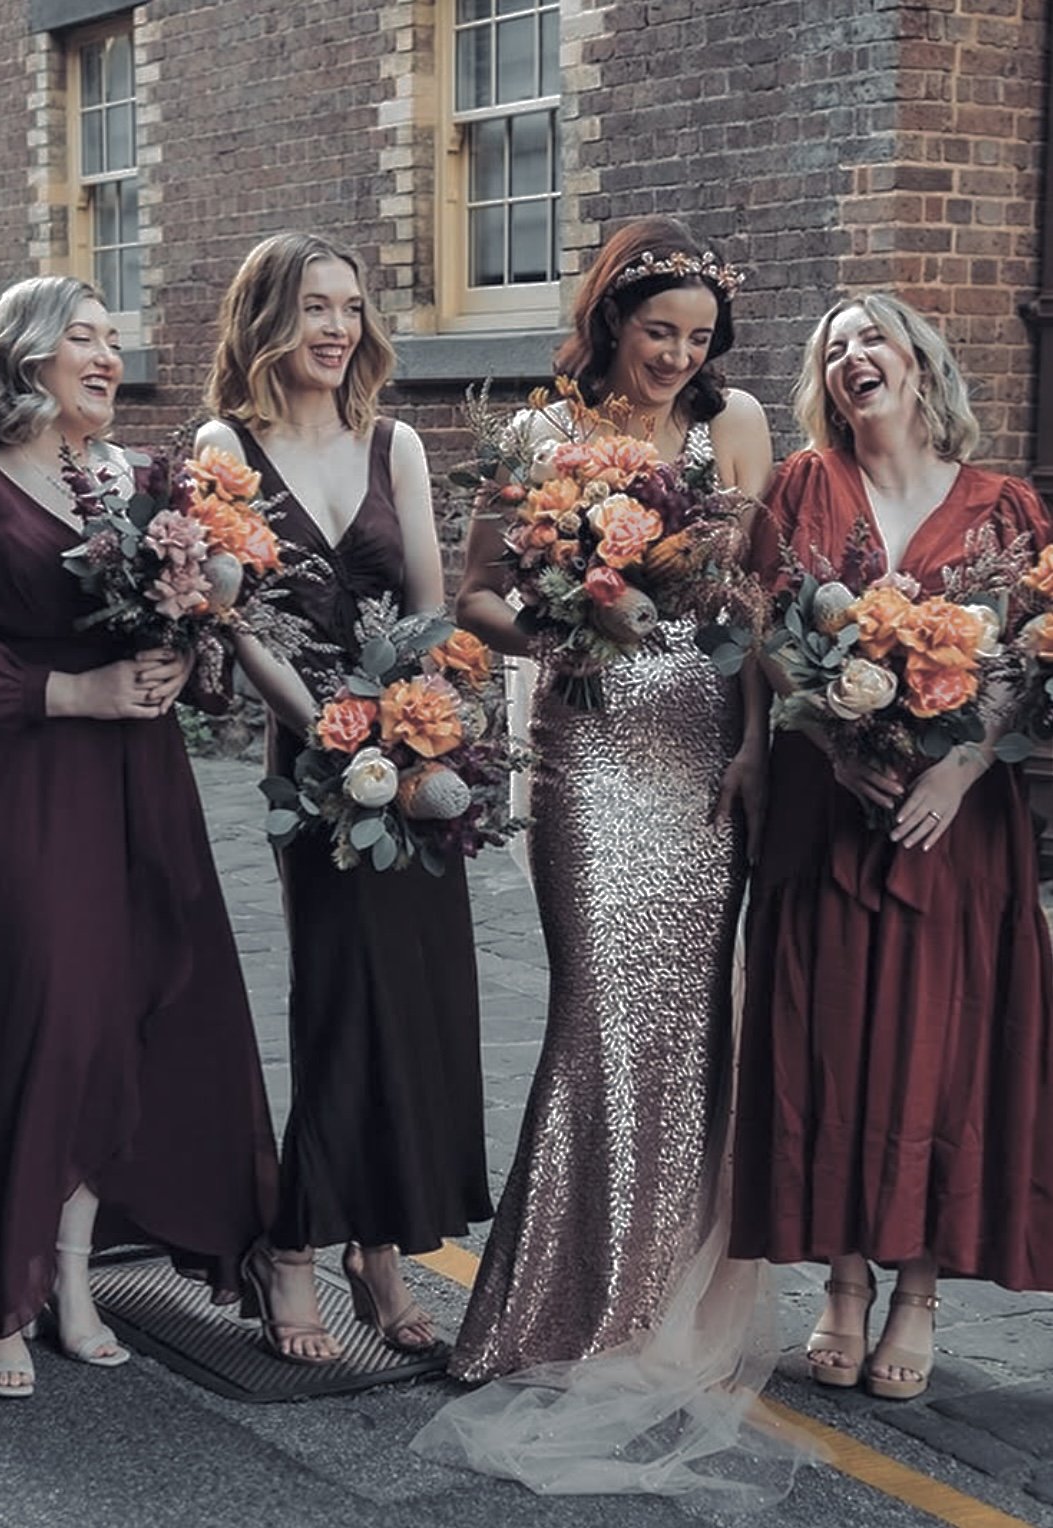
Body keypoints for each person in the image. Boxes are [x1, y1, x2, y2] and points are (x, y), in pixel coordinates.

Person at [411, 217, 807, 1505]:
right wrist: (571, 615)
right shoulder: (540, 434)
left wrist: (754, 745)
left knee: (695, 1024)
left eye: (697, 341)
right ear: (611, 324)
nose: (676, 360)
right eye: (657, 336)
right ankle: (557, 1303)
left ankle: (668, 1312)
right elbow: (474, 595)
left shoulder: (734, 424)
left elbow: (759, 605)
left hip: (699, 741)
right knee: (595, 1014)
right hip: (590, 739)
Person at [0, 275, 278, 1399]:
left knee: (128, 1012)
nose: (108, 356)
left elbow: (203, 618)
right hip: (21, 783)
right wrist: (70, 693)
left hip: (142, 781)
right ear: (25, 355)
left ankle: (71, 1276)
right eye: (84, 336)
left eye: (114, 340)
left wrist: (187, 652)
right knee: (42, 1017)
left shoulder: (148, 481)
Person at [730, 293, 1053, 1402]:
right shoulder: (800, 487)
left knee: (941, 1046)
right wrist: (823, 736)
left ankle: (918, 1290)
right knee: (832, 1036)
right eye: (833, 347)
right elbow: (762, 636)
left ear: (920, 361)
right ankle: (845, 1280)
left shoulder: (1006, 504)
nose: (853, 356)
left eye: (873, 337)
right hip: (833, 810)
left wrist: (968, 765)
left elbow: (1029, 660)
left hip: (957, 827)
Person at [197, 232, 493, 1364]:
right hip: (313, 764)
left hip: (413, 764)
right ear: (270, 317)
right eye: (314, 307)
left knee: (418, 1000)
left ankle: (383, 1244)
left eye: (351, 309)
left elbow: (429, 604)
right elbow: (239, 619)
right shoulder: (225, 443)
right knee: (336, 1001)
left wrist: (422, 736)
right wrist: (326, 730)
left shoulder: (397, 442)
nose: (336, 328)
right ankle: (295, 1249)